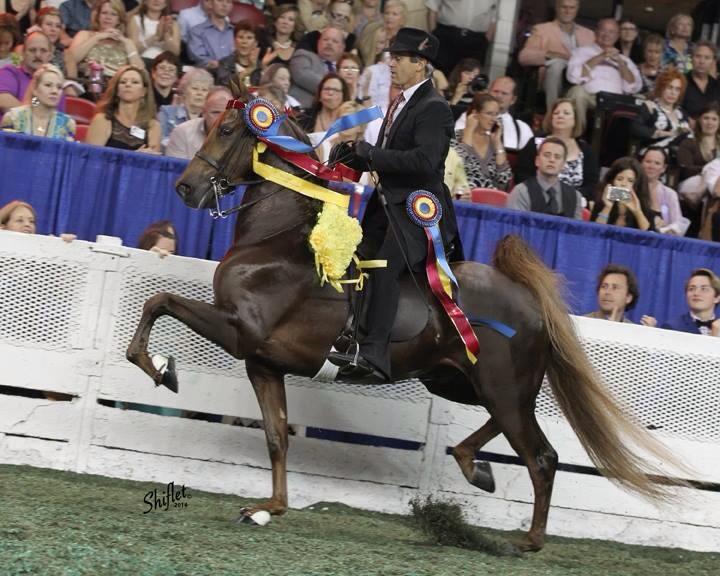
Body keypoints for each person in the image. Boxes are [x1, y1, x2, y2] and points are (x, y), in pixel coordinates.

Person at [329, 27, 461, 381]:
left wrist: (372, 154)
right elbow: (391, 157)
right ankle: (350, 335)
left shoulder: (434, 108)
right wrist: (355, 157)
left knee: (384, 267)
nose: (392, 64)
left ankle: (375, 355)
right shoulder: (401, 102)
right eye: (392, 57)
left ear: (420, 64)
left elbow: (425, 161)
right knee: (351, 257)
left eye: (399, 58)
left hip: (418, 210)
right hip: (387, 205)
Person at [566, 18, 642, 131]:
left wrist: (621, 63)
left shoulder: (625, 60)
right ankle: (577, 134)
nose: (607, 35)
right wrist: (600, 57)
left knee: (640, 101)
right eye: (603, 30)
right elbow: (573, 77)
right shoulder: (581, 52)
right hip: (591, 97)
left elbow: (634, 87)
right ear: (596, 32)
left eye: (611, 32)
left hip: (616, 101)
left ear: (617, 36)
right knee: (577, 92)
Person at [516, 98, 598, 202]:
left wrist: (571, 197)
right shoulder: (535, 143)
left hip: (572, 202)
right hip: (535, 199)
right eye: (556, 113)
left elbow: (591, 185)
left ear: (575, 120)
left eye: (566, 113)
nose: (560, 116)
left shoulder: (586, 151)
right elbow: (522, 175)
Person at [518, 0, 595, 110]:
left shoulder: (589, 34)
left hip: (579, 80)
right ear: (557, 8)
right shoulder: (542, 29)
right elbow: (523, 57)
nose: (568, 11)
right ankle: (552, 111)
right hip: (554, 78)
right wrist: (551, 54)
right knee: (557, 64)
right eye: (564, 7)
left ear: (577, 9)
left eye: (572, 8)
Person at [66, 0, 144, 90]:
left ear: (119, 20)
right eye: (104, 13)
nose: (108, 17)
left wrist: (127, 43)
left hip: (116, 88)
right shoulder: (85, 35)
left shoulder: (126, 42)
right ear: (98, 16)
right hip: (88, 84)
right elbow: (71, 59)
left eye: (113, 14)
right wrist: (97, 37)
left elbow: (140, 72)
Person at [86, 64, 160, 152]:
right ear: (117, 90)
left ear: (144, 91)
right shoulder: (102, 120)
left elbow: (154, 157)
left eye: (135, 82)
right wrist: (134, 157)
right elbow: (91, 157)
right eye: (123, 82)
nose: (128, 84)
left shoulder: (153, 126)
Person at [507, 137, 583, 219]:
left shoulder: (575, 196)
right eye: (547, 155)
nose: (552, 160)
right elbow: (515, 225)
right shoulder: (521, 192)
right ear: (537, 161)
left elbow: (577, 226)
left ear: (563, 165)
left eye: (557, 157)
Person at [450, 92, 511, 192]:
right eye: (489, 113)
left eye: (496, 114)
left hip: (490, 198)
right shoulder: (454, 137)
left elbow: (504, 181)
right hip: (461, 196)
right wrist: (468, 132)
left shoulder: (494, 142)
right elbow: (454, 170)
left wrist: (498, 143)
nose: (493, 119)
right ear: (475, 114)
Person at [1, 63, 76, 140]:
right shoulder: (13, 117)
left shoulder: (67, 124)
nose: (54, 91)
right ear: (35, 89)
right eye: (48, 85)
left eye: (59, 87)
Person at [631, 67, 691, 157]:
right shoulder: (650, 107)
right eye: (669, 87)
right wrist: (665, 133)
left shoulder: (682, 113)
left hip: (676, 157)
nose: (673, 93)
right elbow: (635, 128)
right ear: (661, 88)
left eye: (677, 89)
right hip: (651, 155)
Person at [426, 0, 495, 76]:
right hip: (446, 37)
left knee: (470, 75)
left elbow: (493, 16)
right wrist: (434, 35)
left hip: (476, 41)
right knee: (440, 74)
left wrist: (486, 40)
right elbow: (432, 7)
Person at [0, 31, 58, 120]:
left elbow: (56, 117)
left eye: (43, 50)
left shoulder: (56, 83)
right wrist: (33, 118)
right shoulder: (9, 72)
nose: (38, 55)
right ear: (23, 53)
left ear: (50, 56)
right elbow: (3, 100)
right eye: (32, 50)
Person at [165, 86, 232, 159]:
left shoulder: (240, 138)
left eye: (228, 114)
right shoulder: (183, 133)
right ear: (203, 112)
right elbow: (175, 166)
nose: (222, 119)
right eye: (216, 112)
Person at [289, 25, 344, 109]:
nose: (329, 43)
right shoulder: (303, 55)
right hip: (300, 110)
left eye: (335, 41)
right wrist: (334, 88)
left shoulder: (345, 66)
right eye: (325, 39)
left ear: (342, 47)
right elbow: (301, 75)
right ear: (318, 43)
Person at [591, 156, 653, 231]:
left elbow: (650, 236)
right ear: (612, 181)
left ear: (637, 185)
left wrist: (637, 212)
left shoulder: (644, 207)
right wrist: (607, 207)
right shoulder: (601, 203)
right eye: (619, 179)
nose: (624, 184)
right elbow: (594, 232)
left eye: (630, 181)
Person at [157, 67, 212, 150]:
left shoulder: (209, 118)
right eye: (195, 88)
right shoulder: (167, 113)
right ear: (184, 91)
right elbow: (161, 141)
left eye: (204, 90)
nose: (199, 93)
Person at [678, 102, 720, 207]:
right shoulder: (688, 142)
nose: (710, 122)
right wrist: (707, 169)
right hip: (691, 183)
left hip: (713, 183)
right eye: (706, 118)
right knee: (714, 166)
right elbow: (686, 169)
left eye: (714, 119)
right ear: (699, 120)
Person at [640, 147, 688, 235]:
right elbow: (612, 197)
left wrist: (665, 229)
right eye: (648, 161)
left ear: (664, 168)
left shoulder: (670, 194)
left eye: (657, 163)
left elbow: (678, 224)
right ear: (641, 163)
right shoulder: (629, 185)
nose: (651, 166)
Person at [661, 269, 720, 337]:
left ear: (717, 298)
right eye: (691, 289)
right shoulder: (671, 328)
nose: (696, 293)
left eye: (704, 289)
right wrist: (714, 339)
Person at [127, 0, 181, 68]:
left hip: (164, 64)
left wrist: (165, 36)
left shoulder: (173, 24)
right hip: (142, 61)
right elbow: (133, 49)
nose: (156, 0)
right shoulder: (135, 19)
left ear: (166, 3)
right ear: (145, 2)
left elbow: (175, 52)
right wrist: (155, 37)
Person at [187, 0, 234, 72]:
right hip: (207, 74)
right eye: (220, 0)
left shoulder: (235, 32)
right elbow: (200, 59)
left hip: (234, 74)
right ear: (210, 4)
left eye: (228, 2)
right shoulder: (197, 31)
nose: (224, 5)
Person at [216, 22, 263, 88]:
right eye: (241, 37)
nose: (244, 41)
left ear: (256, 43)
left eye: (249, 38)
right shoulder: (224, 63)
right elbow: (226, 85)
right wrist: (249, 69)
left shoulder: (260, 66)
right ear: (234, 41)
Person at [681, 41, 720, 120]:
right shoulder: (680, 81)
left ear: (713, 62)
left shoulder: (717, 86)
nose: (702, 61)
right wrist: (687, 118)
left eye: (707, 58)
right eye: (698, 56)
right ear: (691, 58)